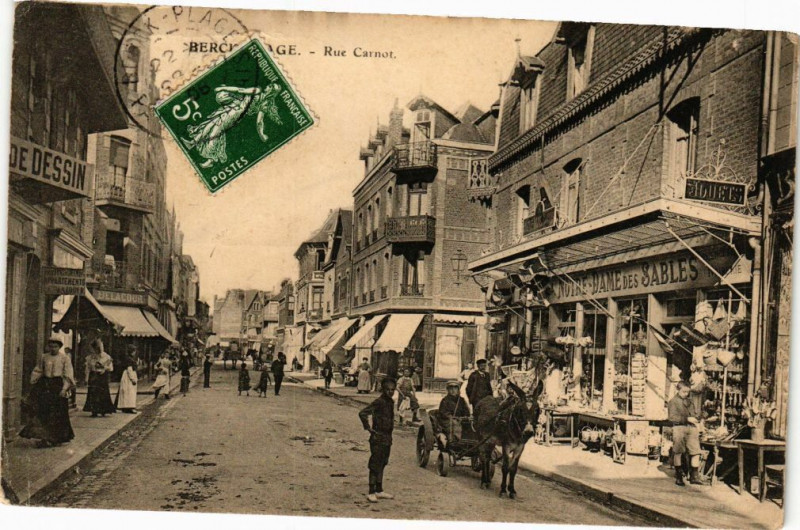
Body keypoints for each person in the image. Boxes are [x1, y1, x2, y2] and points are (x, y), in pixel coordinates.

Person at [20, 336, 75, 447]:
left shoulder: (65, 358)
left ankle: (56, 437)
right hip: (45, 385)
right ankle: (45, 437)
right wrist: (33, 381)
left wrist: (64, 388)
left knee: (57, 412)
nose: (53, 348)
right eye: (51, 346)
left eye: (55, 346)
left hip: (58, 385)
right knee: (44, 411)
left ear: (59, 347)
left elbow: (68, 374)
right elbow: (38, 370)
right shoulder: (44, 357)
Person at [358, 378, 396, 503]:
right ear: (383, 390)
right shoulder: (379, 402)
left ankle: (379, 490)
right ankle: (371, 492)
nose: (390, 392)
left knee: (383, 463)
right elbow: (363, 413)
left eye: (392, 390)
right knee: (375, 464)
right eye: (388, 390)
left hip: (387, 437)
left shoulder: (390, 402)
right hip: (378, 437)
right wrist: (368, 428)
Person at [668, 381, 704, 486]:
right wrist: (687, 419)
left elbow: (694, 414)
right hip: (679, 428)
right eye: (684, 392)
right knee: (678, 452)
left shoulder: (690, 401)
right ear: (678, 390)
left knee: (695, 451)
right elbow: (672, 418)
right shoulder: (673, 402)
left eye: (688, 392)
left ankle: (694, 476)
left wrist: (698, 418)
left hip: (691, 428)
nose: (686, 394)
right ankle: (679, 476)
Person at [83, 339, 115, 417]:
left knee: (103, 393)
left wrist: (104, 368)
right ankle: (94, 410)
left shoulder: (106, 357)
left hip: (102, 376)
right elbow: (87, 368)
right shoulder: (90, 357)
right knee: (93, 393)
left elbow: (111, 368)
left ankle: (103, 410)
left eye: (100, 347)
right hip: (93, 375)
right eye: (96, 348)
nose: (99, 349)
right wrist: (86, 378)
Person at [437, 380, 470, 447]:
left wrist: (466, 417)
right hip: (447, 420)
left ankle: (468, 441)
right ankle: (453, 441)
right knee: (453, 423)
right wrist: (452, 417)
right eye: (451, 388)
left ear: (458, 389)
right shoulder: (445, 400)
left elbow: (466, 411)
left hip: (460, 419)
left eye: (455, 388)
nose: (453, 390)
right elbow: (443, 413)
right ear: (448, 390)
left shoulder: (461, 400)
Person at [115, 345, 138, 413]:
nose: (135, 353)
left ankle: (126, 407)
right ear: (132, 352)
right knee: (129, 392)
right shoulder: (129, 359)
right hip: (128, 376)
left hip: (128, 375)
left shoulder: (129, 358)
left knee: (128, 391)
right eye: (134, 351)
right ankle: (129, 407)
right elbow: (129, 369)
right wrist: (132, 379)